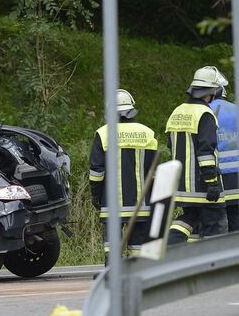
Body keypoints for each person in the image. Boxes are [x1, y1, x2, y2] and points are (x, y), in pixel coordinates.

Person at [89, 89, 158, 262]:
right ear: (131, 109)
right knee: (138, 249)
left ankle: (113, 280)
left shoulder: (103, 133)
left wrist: (96, 195)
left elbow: (97, 171)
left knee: (112, 248)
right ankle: (139, 281)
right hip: (141, 205)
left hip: (112, 205)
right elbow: (155, 171)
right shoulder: (147, 133)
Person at [166, 66, 228, 244]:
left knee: (190, 219)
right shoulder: (205, 114)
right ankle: (213, 265)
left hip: (181, 186)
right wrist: (212, 183)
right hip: (202, 185)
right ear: (212, 91)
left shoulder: (176, 112)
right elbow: (206, 152)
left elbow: (171, 145)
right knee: (215, 225)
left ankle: (172, 249)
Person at [210, 74, 239, 232]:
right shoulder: (235, 109)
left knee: (216, 221)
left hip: (216, 176)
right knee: (236, 218)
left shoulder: (205, 111)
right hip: (237, 176)